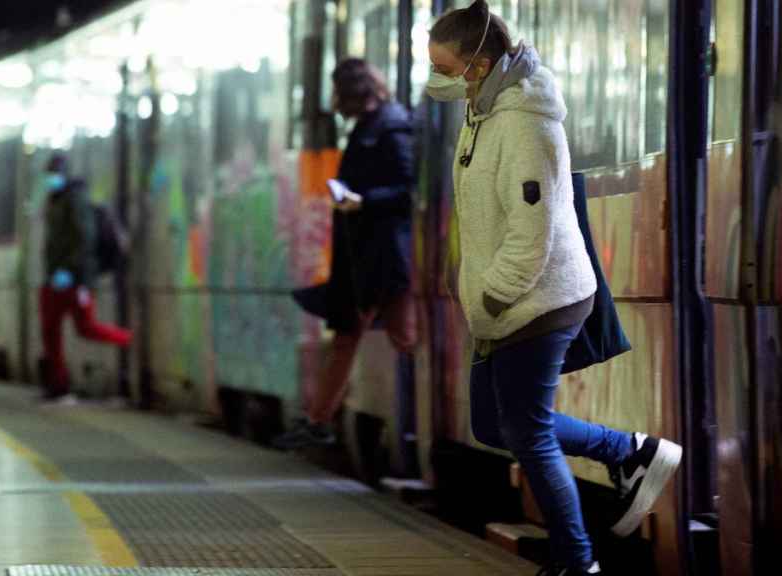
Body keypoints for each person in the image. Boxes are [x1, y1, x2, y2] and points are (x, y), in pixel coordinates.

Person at [426, 2, 681, 574]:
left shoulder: (523, 122)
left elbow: (532, 231)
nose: (437, 81)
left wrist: (491, 294)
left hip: (539, 298)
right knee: (491, 425)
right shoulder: (483, 108)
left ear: (481, 63)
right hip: (503, 304)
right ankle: (630, 452)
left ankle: (576, 561)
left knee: (530, 434)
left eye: (446, 68)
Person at [275, 58, 417, 450]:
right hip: (361, 256)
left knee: (402, 336)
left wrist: (362, 200)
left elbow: (407, 190)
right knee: (349, 335)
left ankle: (422, 419)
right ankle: (318, 420)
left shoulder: (392, 127)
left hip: (385, 256)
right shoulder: (369, 127)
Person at [38, 153, 131, 404]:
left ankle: (130, 342)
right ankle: (58, 384)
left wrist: (69, 270)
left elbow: (84, 237)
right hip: (54, 278)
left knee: (86, 327)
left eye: (54, 174)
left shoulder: (75, 199)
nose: (51, 179)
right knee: (49, 330)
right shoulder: (54, 200)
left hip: (75, 279)